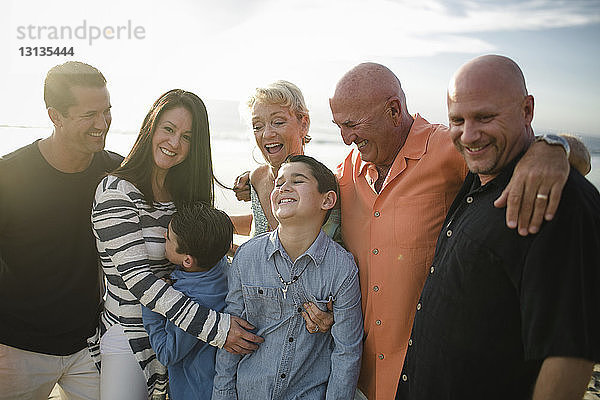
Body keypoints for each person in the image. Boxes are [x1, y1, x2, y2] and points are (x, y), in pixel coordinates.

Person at [327, 63, 588, 400]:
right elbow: (297, 205)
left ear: (394, 110)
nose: (346, 138)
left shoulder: (452, 146)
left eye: (352, 124)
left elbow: (559, 157)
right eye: (339, 126)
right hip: (358, 383)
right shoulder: (345, 172)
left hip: (430, 379)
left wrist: (554, 149)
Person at [396, 54, 599, 399]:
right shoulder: (480, 176)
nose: (469, 135)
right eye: (457, 120)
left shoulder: (558, 200)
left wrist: (556, 148)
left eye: (485, 117)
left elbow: (568, 354)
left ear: (527, 110)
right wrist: (557, 145)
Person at [90, 89, 262, 399]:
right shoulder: (117, 192)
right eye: (168, 129)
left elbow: (210, 254)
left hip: (185, 335)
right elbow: (138, 281)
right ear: (151, 127)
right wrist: (218, 329)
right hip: (131, 336)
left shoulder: (185, 195)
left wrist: (262, 185)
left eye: (186, 137)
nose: (174, 143)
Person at [0, 61, 119, 399]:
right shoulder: (8, 176)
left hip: (89, 347)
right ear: (55, 116)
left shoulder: (115, 171)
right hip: (15, 350)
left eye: (107, 111)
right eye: (89, 115)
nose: (102, 124)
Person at [213, 155, 363, 400]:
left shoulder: (342, 269)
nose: (283, 188)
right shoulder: (247, 257)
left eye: (297, 180)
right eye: (279, 183)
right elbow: (231, 340)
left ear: (327, 200)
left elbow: (346, 353)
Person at [142, 202, 232, 400]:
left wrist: (151, 306)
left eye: (168, 238)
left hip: (194, 391)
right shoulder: (222, 268)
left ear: (188, 260)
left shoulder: (190, 301)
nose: (163, 237)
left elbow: (167, 353)